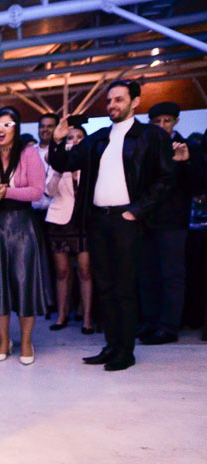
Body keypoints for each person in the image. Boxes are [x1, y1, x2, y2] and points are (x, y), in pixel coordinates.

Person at [49, 79, 175, 371]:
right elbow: (65, 163)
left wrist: (137, 211)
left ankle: (125, 351)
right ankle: (111, 345)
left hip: (126, 221)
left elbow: (166, 180)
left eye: (118, 99)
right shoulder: (98, 138)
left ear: (135, 102)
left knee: (124, 288)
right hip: (98, 220)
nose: (112, 105)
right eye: (109, 101)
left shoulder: (152, 136)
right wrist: (57, 140)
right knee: (104, 286)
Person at [0, 106, 51, 365]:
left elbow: (37, 191)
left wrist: (8, 193)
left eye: (7, 124)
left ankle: (26, 341)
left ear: (16, 128)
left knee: (24, 283)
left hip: (22, 227)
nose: (1, 129)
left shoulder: (28, 153)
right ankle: (4, 340)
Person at [139, 101, 204, 345]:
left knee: (172, 275)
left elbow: (199, 185)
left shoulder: (189, 147)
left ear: (176, 121)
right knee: (147, 274)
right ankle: (151, 322)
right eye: (157, 121)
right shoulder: (145, 148)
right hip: (147, 219)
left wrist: (186, 162)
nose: (162, 125)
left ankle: (169, 327)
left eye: (167, 120)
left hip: (174, 220)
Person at [44, 121, 94, 334]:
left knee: (85, 271)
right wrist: (59, 167)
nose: (75, 141)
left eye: (79, 137)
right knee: (62, 272)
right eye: (71, 137)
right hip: (59, 221)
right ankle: (62, 315)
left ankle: (87, 319)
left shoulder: (91, 161)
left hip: (83, 221)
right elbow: (48, 191)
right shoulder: (57, 160)